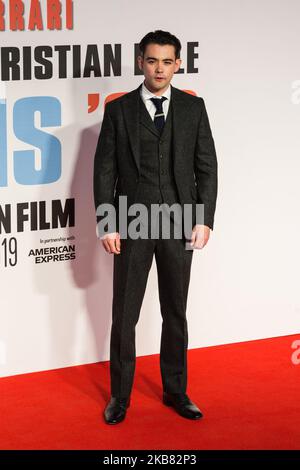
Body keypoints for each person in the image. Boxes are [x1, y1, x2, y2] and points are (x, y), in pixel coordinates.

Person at [93, 30, 218, 424]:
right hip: (131, 220)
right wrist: (107, 223)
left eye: (167, 61)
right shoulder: (118, 111)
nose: (159, 68)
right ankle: (120, 397)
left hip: (180, 220)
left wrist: (203, 218)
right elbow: (105, 171)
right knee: (124, 314)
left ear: (178, 64)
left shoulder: (193, 109)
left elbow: (207, 167)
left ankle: (176, 391)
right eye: (152, 60)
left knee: (176, 311)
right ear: (140, 62)